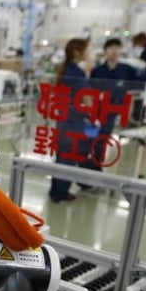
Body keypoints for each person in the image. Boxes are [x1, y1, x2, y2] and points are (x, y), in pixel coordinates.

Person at [84, 38, 139, 173]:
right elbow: (91, 89)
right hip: (100, 110)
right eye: (111, 48)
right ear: (105, 51)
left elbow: (138, 87)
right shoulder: (98, 71)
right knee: (94, 138)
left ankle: (98, 167)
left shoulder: (128, 70)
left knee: (106, 139)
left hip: (118, 111)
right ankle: (91, 167)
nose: (114, 51)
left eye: (117, 48)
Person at [49, 38, 91, 203]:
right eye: (86, 50)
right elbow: (88, 99)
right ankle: (61, 193)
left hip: (64, 119)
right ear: (77, 52)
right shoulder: (77, 73)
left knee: (62, 157)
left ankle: (56, 191)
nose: (88, 53)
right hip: (74, 121)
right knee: (69, 157)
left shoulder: (65, 69)